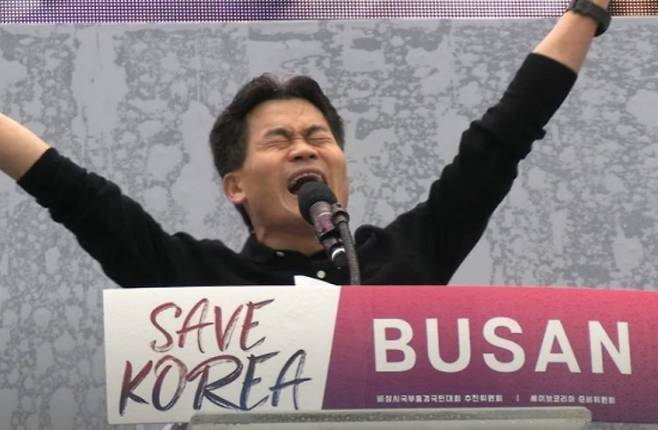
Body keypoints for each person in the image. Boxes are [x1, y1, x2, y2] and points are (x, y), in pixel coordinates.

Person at [0, 0, 611, 288]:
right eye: (280, 139)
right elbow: (75, 195)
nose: (305, 148)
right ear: (234, 185)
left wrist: (588, 10)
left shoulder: (407, 255)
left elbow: (500, 141)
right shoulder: (196, 278)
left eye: (319, 137)